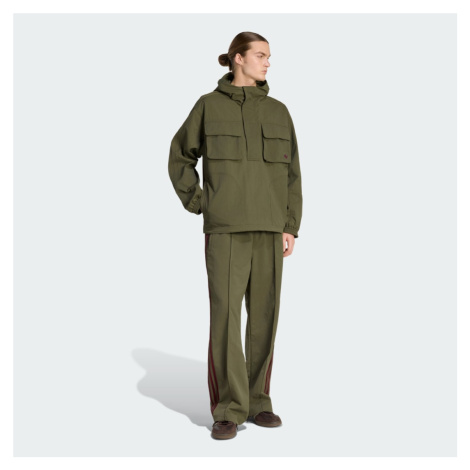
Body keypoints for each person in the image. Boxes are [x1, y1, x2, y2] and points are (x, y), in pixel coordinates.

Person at [168, 31, 303, 440]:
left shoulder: (278, 111)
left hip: (269, 228)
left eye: (268, 56)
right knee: (225, 317)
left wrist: (290, 225)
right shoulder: (208, 106)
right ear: (238, 59)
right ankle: (228, 407)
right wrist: (200, 203)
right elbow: (180, 156)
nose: (267, 62)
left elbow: (293, 174)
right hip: (225, 229)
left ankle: (258, 401)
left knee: (264, 317)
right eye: (260, 55)